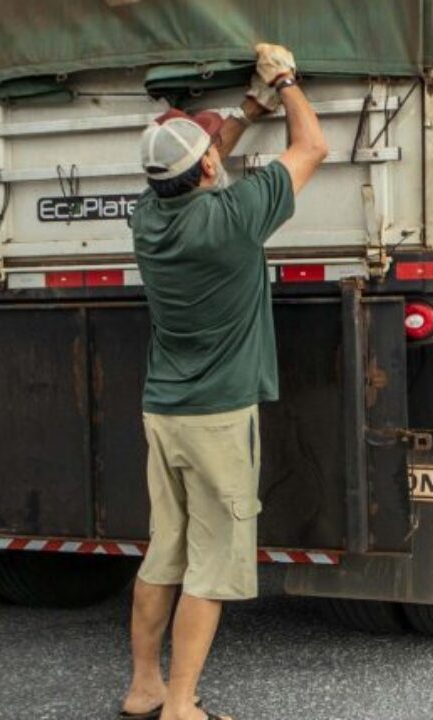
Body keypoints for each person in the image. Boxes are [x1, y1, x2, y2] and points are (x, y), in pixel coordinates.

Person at [119, 44, 327, 720]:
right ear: (210, 167)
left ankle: (144, 686)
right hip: (217, 420)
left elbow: (194, 163)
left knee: (164, 555)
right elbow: (313, 146)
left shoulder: (147, 220)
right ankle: (182, 707)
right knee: (210, 568)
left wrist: (247, 108)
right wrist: (286, 81)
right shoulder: (234, 220)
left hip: (165, 413)